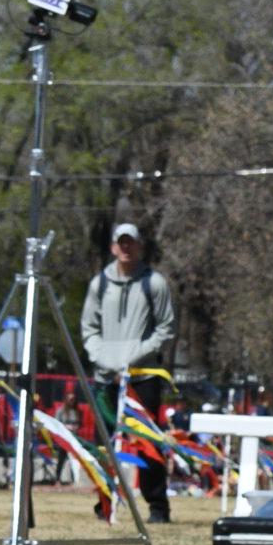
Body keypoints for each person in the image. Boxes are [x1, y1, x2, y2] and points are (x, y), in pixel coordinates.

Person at [80, 221, 177, 524]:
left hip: (143, 376)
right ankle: (105, 501)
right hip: (106, 377)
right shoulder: (100, 284)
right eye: (120, 242)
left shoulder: (154, 283)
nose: (125, 247)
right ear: (112, 247)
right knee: (103, 444)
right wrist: (105, 359)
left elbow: (165, 328)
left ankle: (157, 506)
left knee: (147, 442)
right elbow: (88, 329)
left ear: (138, 246)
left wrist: (133, 358)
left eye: (130, 242)